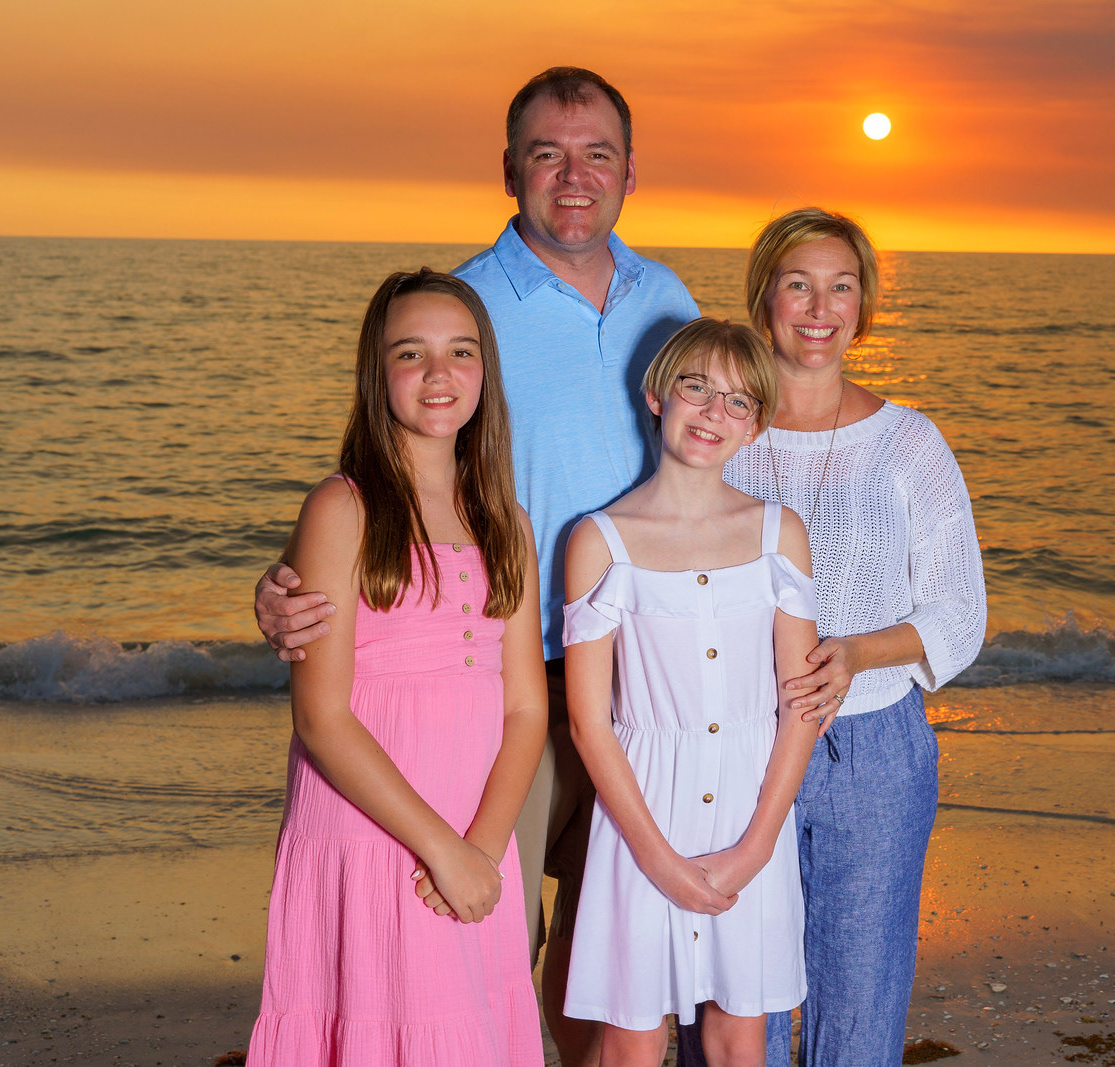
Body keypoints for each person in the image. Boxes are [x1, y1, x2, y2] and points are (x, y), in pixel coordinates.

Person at [253, 68, 699, 1066]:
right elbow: (377, 497)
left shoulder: (667, 298)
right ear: (509, 170)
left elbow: (715, 455)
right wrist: (279, 587)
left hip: (639, 676)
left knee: (617, 950)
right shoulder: (469, 304)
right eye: (547, 154)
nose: (573, 177)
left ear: (631, 170)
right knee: (475, 926)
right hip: (511, 677)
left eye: (596, 155)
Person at [679, 208, 987, 1066]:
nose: (820, 307)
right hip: (736, 742)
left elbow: (959, 615)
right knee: (735, 995)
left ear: (865, 304)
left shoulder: (909, 444)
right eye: (799, 284)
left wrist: (853, 652)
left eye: (841, 286)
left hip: (875, 747)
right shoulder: (719, 430)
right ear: (764, 297)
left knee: (863, 988)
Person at [246, 269, 545, 1065]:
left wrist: (480, 848)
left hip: (476, 831)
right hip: (375, 830)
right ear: (377, 377)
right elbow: (322, 716)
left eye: (461, 352)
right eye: (410, 353)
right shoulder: (342, 509)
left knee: (469, 1033)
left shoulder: (507, 522)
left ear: (487, 371)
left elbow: (524, 710)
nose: (439, 374)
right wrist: (439, 850)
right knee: (389, 1030)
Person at [561, 318, 821, 1067]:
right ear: (656, 395)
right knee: (632, 1036)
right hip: (642, 814)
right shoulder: (600, 540)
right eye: (696, 387)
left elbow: (799, 704)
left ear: (757, 426)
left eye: (738, 402)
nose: (713, 412)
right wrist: (659, 857)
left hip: (751, 804)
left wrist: (758, 844)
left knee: (742, 1031)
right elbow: (589, 721)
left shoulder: (779, 533)